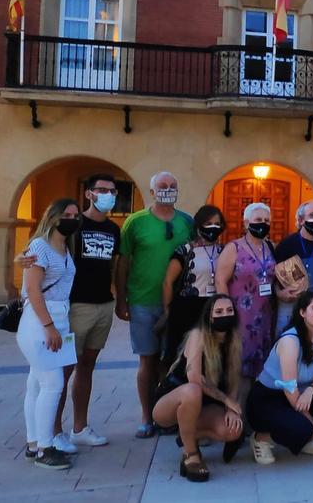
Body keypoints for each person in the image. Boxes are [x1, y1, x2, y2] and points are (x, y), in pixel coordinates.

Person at [19, 175, 119, 453]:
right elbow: (39, 250)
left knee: (87, 365)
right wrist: (20, 259)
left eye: (112, 191)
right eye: (101, 190)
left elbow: (115, 264)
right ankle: (53, 431)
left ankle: (80, 427)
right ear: (89, 193)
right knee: (62, 371)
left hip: (102, 305)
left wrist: (119, 298)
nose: (107, 195)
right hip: (74, 307)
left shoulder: (113, 229)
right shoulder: (74, 227)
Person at [117, 171, 193, 439]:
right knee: (147, 361)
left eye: (173, 185)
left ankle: (167, 415)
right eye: (162, 186)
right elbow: (124, 261)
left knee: (171, 360)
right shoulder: (135, 223)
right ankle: (146, 417)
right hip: (143, 300)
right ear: (151, 192)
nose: (168, 189)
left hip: (179, 302)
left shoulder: (187, 222)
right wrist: (121, 298)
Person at [247, 291, 313, 463]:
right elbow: (289, 387)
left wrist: (311, 389)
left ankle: (310, 440)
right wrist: (310, 425)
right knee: (303, 428)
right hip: (270, 398)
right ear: (302, 312)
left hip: (301, 392)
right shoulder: (290, 341)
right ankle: (261, 438)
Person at [152, 294, 244, 482]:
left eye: (229, 311)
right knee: (192, 390)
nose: (224, 315)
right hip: (171, 401)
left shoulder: (234, 339)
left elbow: (234, 379)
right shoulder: (198, 335)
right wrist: (226, 400)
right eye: (218, 312)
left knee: (233, 430)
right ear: (209, 316)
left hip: (203, 405)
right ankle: (191, 454)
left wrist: (231, 408)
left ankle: (186, 436)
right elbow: (194, 377)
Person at [17, 199, 79, 470]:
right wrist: (49, 326)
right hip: (41, 320)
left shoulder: (65, 246)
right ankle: (45, 448)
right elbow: (33, 289)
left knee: (36, 383)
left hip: (58, 317)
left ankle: (34, 443)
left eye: (75, 215)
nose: (71, 219)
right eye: (66, 214)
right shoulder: (40, 246)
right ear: (53, 217)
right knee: (53, 384)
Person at [215, 202, 276, 383]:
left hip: (265, 316)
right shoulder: (233, 248)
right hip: (240, 316)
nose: (262, 223)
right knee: (239, 367)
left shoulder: (270, 247)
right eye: (258, 219)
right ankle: (235, 407)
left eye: (266, 220)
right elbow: (220, 280)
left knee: (262, 369)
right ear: (247, 222)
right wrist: (226, 313)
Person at [162, 206, 225, 378]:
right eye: (208, 223)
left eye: (217, 223)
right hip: (187, 310)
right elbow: (168, 281)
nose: (213, 227)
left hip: (213, 308)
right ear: (198, 226)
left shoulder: (225, 251)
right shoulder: (185, 251)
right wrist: (168, 310)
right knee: (184, 357)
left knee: (213, 357)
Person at [272, 200, 313, 333]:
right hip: (291, 306)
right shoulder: (287, 244)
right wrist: (279, 293)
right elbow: (274, 274)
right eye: (312, 215)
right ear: (301, 220)